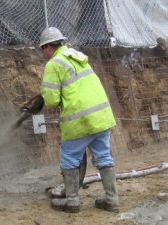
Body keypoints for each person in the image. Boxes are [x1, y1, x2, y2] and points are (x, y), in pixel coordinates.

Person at [39, 27, 119, 213]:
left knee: (70, 159)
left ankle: (73, 201)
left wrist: (46, 95)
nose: (44, 53)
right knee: (104, 157)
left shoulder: (53, 64)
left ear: (49, 46)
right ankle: (112, 200)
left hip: (79, 121)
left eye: (44, 48)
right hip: (101, 117)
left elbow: (51, 100)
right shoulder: (77, 57)